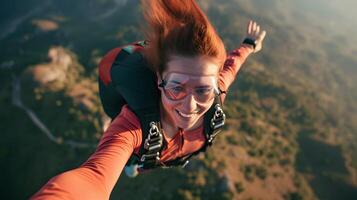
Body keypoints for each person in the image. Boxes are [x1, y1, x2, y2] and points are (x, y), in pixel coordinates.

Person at [31, 0, 266, 199]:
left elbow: (232, 65)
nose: (190, 105)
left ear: (214, 87)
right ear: (159, 80)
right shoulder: (132, 126)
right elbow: (92, 177)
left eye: (203, 90)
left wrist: (249, 44)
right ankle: (134, 165)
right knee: (133, 165)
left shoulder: (217, 93)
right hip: (143, 154)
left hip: (170, 154)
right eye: (177, 87)